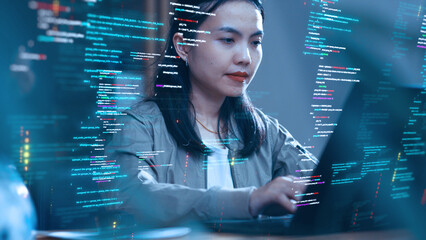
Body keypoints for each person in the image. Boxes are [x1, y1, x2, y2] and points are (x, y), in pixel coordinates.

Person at [104, 0, 318, 227]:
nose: (245, 57)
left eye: (255, 42)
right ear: (184, 45)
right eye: (228, 39)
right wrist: (249, 200)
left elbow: (327, 186)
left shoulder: (267, 132)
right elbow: (132, 196)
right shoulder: (139, 126)